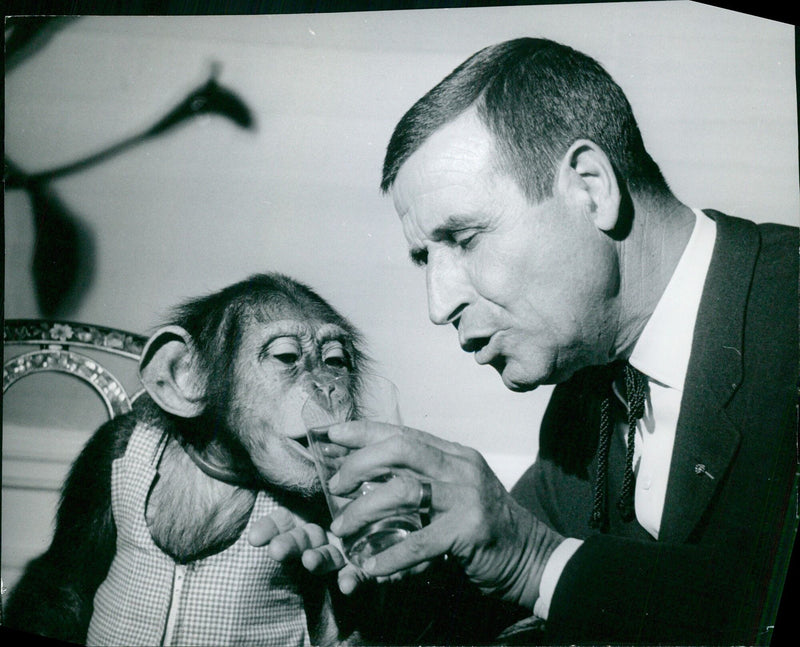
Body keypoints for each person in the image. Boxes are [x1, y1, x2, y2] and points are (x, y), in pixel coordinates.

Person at [250, 37, 798, 645]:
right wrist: (392, 568)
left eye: (463, 237)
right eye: (422, 259)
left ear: (591, 187)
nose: (439, 305)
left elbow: (537, 565)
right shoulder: (585, 394)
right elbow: (503, 588)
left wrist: (533, 558)